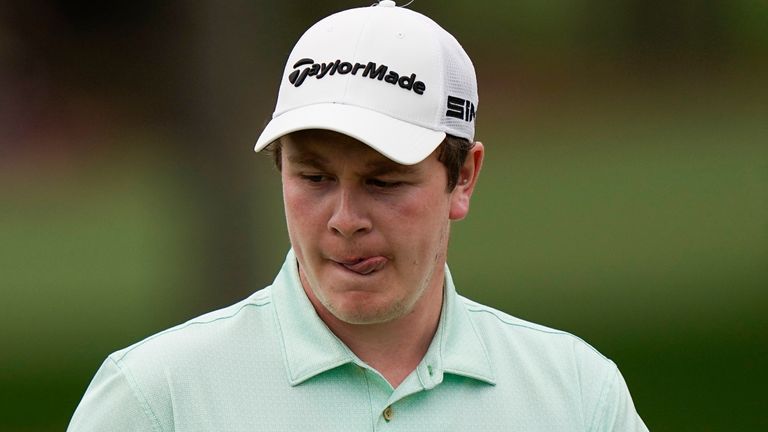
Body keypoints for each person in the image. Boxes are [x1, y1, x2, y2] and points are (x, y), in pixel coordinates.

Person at [68, 2, 648, 430]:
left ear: (463, 178)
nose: (345, 218)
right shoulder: (156, 396)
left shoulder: (575, 394)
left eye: (384, 181)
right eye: (313, 177)